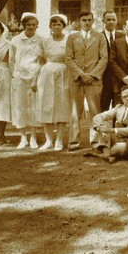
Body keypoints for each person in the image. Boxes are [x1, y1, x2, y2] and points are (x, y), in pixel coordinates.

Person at [65, 11, 108, 150]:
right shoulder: (72, 38)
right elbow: (68, 58)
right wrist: (81, 74)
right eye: (84, 20)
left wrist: (92, 74)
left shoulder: (100, 37)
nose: (87, 22)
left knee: (95, 111)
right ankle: (73, 141)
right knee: (74, 111)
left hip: (93, 80)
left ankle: (95, 141)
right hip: (77, 79)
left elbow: (104, 58)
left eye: (89, 20)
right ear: (79, 21)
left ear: (93, 21)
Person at [88, 84, 128, 163]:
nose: (127, 98)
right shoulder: (119, 108)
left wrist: (111, 130)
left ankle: (105, 154)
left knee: (120, 148)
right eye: (124, 97)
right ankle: (108, 155)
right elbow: (98, 117)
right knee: (104, 123)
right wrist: (100, 129)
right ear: (121, 98)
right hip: (117, 139)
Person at [36, 14, 71, 151]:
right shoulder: (44, 41)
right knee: (47, 105)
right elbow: (40, 61)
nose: (56, 26)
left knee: (62, 106)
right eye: (54, 24)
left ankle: (59, 141)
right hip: (47, 74)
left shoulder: (69, 40)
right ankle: (48, 140)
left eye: (59, 24)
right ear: (50, 26)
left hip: (64, 73)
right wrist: (35, 79)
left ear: (64, 26)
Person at [10, 12, 44, 149]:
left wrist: (36, 77)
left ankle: (33, 138)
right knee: (20, 107)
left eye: (33, 25)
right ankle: (23, 138)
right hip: (19, 78)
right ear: (23, 25)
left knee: (33, 107)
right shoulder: (16, 40)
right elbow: (11, 60)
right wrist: (14, 74)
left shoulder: (41, 40)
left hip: (35, 77)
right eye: (28, 24)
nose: (31, 27)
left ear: (37, 26)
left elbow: (42, 60)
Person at [100, 10, 120, 112]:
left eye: (113, 19)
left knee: (118, 107)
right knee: (104, 105)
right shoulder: (98, 36)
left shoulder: (123, 36)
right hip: (104, 77)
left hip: (119, 77)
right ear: (103, 21)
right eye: (108, 19)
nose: (111, 22)